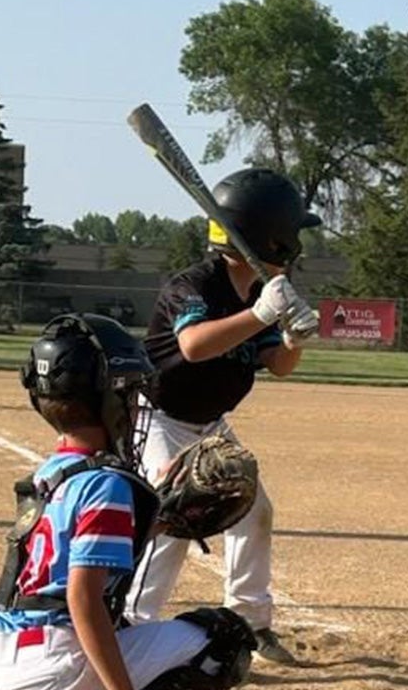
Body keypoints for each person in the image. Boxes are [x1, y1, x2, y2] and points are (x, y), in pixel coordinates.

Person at [0, 313, 256, 690]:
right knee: (223, 640)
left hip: (0, 657)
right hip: (53, 665)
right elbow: (84, 600)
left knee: (125, 628)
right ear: (109, 399)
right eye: (131, 396)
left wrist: (161, 515)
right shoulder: (107, 486)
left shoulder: (50, 475)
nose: (137, 408)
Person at [123, 168, 321, 666]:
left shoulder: (259, 289)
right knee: (172, 521)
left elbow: (278, 366)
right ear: (271, 236)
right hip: (160, 420)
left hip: (209, 425)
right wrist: (259, 315)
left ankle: (253, 625)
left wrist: (293, 336)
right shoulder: (194, 284)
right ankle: (130, 627)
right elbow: (193, 345)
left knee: (253, 510)